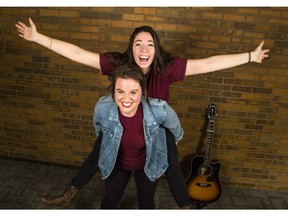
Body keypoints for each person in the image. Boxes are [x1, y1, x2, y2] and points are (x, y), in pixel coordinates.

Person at [15, 17, 270, 209]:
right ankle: (69, 193)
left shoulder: (167, 68)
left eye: (150, 44)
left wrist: (250, 56)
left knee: (170, 164)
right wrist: (39, 38)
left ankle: (186, 206)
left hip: (157, 127)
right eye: (138, 43)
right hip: (121, 125)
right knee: (98, 151)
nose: (144, 48)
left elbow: (208, 64)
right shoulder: (118, 65)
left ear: (155, 49)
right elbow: (79, 55)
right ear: (132, 48)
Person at [94, 64, 183, 208]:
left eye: (133, 92)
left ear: (142, 91)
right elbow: (99, 130)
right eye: (120, 91)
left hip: (148, 164)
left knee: (146, 203)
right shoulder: (103, 107)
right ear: (113, 92)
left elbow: (177, 132)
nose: (126, 98)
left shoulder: (160, 109)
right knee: (109, 201)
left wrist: (166, 147)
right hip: (118, 163)